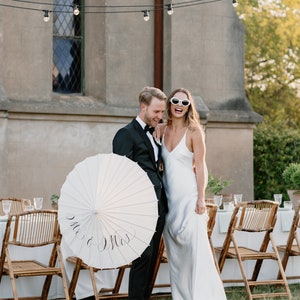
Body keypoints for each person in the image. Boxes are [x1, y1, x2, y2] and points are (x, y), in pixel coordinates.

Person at [157, 88, 227, 299]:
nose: (179, 105)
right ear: (169, 103)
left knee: (197, 255)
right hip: (169, 203)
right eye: (176, 100)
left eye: (184, 102)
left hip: (189, 199)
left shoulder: (194, 131)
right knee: (177, 258)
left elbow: (201, 166)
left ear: (189, 107)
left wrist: (200, 198)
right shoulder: (161, 129)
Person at [112, 86, 168, 300]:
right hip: (139, 209)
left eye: (162, 112)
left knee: (152, 258)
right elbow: (121, 174)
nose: (160, 116)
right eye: (156, 111)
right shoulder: (125, 134)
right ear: (143, 107)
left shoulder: (155, 133)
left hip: (159, 205)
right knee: (142, 258)